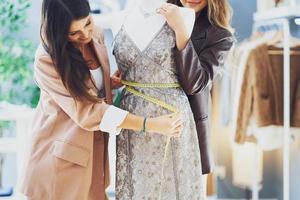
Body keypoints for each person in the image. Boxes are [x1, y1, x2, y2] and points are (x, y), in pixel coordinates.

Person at [19, 0, 182, 200]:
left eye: (87, 23)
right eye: (74, 33)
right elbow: (88, 112)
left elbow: (88, 87)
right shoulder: (47, 59)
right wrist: (149, 124)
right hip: (59, 163)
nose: (85, 35)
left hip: (92, 157)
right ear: (57, 31)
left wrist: (107, 84)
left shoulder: (95, 34)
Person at [111, 0, 205, 199]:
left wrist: (180, 28)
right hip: (132, 120)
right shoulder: (118, 18)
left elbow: (193, 80)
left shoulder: (184, 16)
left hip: (172, 118)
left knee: (173, 186)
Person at [167, 0, 234, 175]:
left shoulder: (220, 36)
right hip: (150, 121)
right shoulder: (158, 18)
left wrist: (181, 31)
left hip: (189, 128)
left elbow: (194, 83)